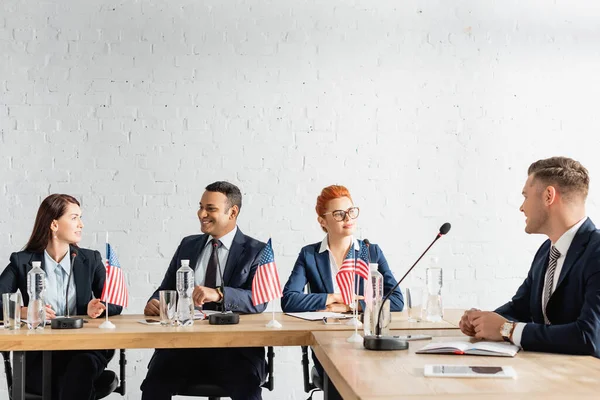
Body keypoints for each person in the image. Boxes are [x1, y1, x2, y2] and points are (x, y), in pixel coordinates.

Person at [459, 157, 600, 357]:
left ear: (548, 196)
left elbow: (589, 337)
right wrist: (481, 322)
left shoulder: (596, 251)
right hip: (547, 374)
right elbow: (520, 307)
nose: (521, 207)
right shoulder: (546, 251)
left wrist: (506, 330)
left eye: (525, 196)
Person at [141, 181, 268, 400]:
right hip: (184, 347)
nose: (201, 214)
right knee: (154, 386)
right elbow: (166, 288)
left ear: (233, 212)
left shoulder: (257, 251)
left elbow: (259, 300)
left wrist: (219, 294)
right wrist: (155, 302)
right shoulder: (188, 244)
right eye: (201, 207)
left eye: (211, 209)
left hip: (235, 350)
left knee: (247, 389)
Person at [0, 194, 122, 399]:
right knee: (72, 382)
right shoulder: (22, 261)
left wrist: (99, 306)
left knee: (79, 371)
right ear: (54, 224)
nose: (81, 224)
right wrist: (23, 311)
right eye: (74, 218)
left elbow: (115, 302)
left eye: (80, 218)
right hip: (41, 353)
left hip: (85, 348)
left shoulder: (90, 259)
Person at [281, 184, 404, 388]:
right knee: (342, 378)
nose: (348, 219)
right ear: (322, 221)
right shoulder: (309, 255)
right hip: (328, 344)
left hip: (368, 343)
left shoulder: (371, 251)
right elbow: (289, 300)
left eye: (351, 212)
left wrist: (349, 306)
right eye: (339, 214)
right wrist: (332, 298)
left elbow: (396, 301)